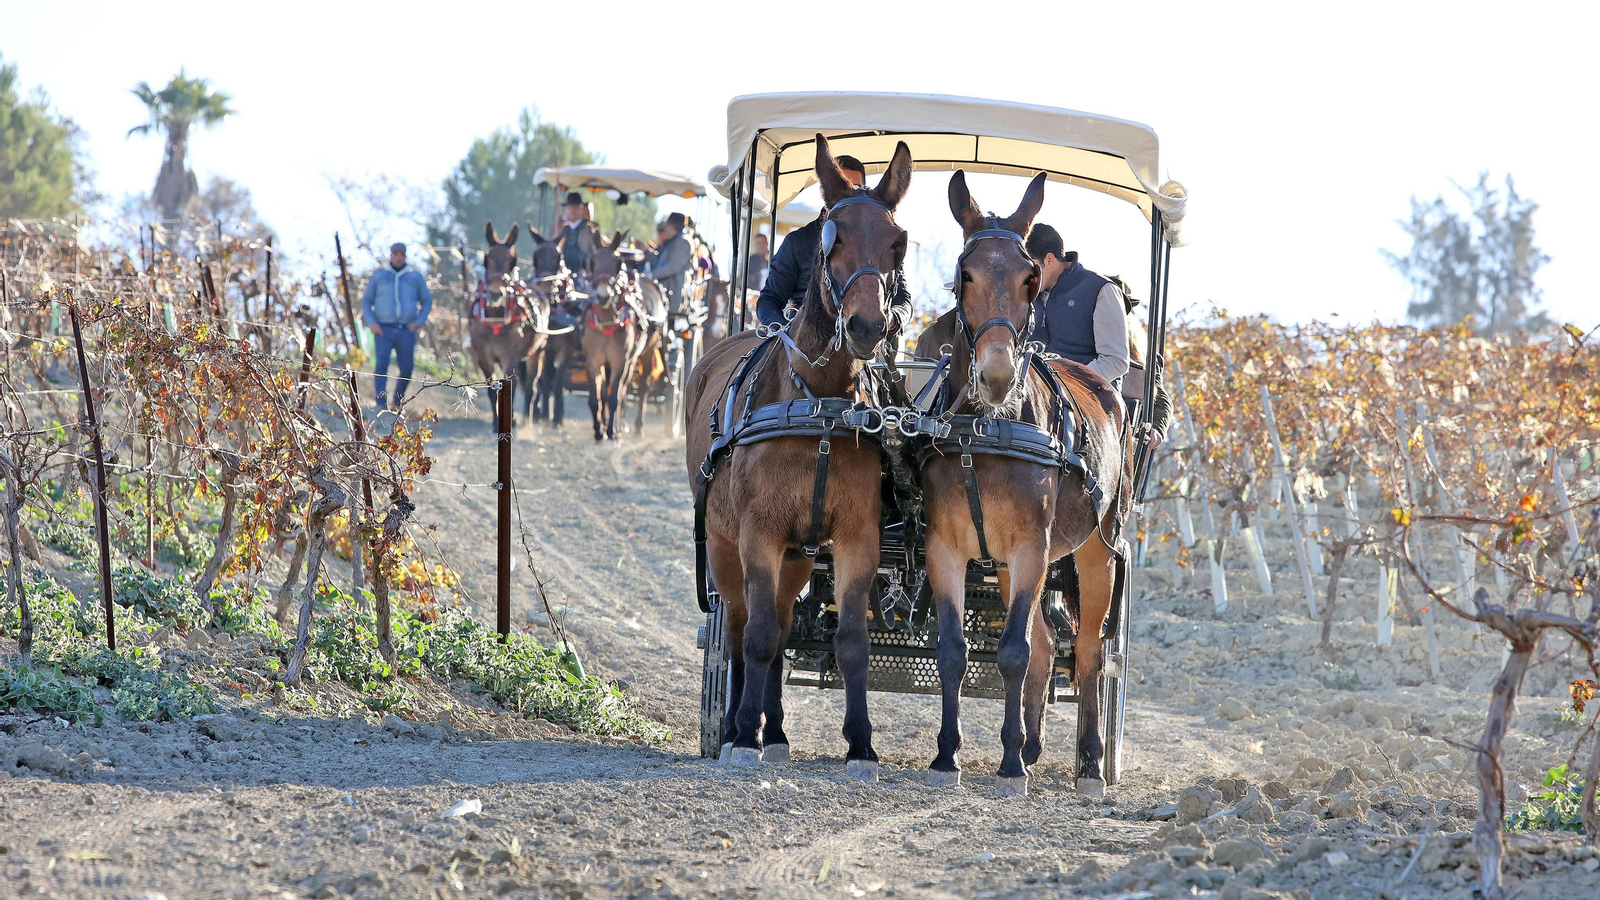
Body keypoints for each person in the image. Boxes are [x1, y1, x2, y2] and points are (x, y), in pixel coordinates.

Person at [756, 155, 911, 337]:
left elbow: (903, 300)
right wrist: (786, 333)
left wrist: (892, 319)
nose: (849, 196)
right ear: (827, 190)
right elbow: (770, 300)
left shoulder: (880, 244)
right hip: (805, 344)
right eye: (840, 188)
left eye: (855, 188)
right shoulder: (798, 242)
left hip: (869, 338)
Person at [1024, 224, 1129, 388]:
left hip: (1091, 398)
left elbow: (1115, 361)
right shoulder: (1022, 294)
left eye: (1029, 267)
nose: (1025, 276)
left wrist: (1064, 386)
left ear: (1049, 260)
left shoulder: (1100, 290)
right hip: (1033, 398)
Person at [361, 242, 434, 412]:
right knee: (381, 365)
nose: (398, 257)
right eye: (395, 254)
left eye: (401, 254)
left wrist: (418, 322)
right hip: (383, 329)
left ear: (405, 256)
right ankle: (380, 402)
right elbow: (366, 301)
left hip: (406, 330)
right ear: (391, 255)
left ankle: (397, 401)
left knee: (407, 367)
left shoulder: (415, 277)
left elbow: (427, 300)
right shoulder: (379, 276)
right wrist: (372, 323)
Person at [646, 211, 696, 312]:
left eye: (667, 226)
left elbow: (673, 267)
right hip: (663, 289)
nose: (665, 230)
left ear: (672, 227)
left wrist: (651, 275)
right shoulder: (673, 241)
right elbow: (660, 258)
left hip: (672, 293)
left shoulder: (684, 242)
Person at [557, 192, 597, 277]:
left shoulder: (590, 229)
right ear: (565, 210)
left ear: (581, 209)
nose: (572, 210)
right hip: (562, 274)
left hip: (585, 274)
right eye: (570, 207)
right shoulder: (560, 229)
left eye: (576, 207)